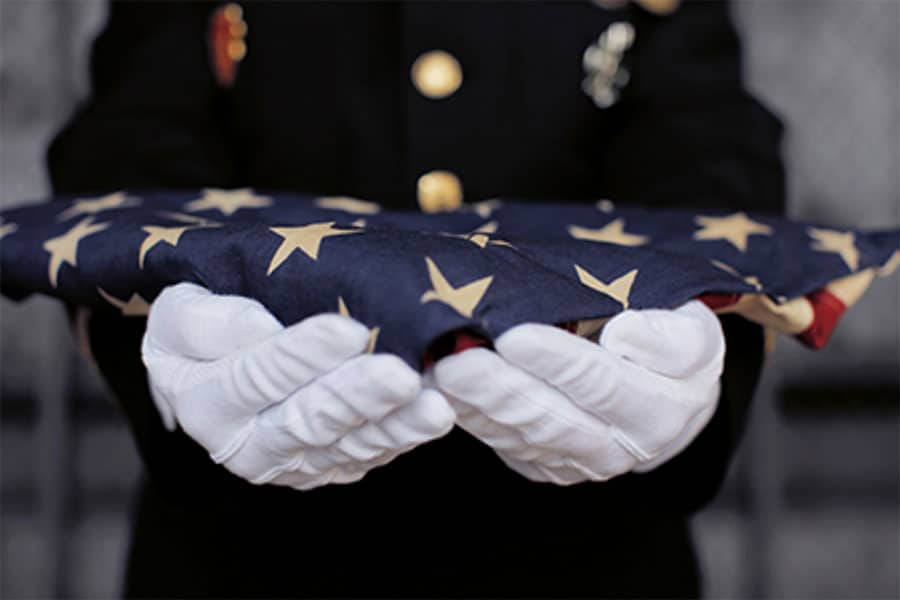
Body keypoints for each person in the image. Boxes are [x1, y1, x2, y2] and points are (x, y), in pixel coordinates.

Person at [46, 1, 785, 597]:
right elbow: (134, 129)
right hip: (245, 542)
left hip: (588, 545)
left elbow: (704, 139)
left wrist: (697, 331)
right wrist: (164, 324)